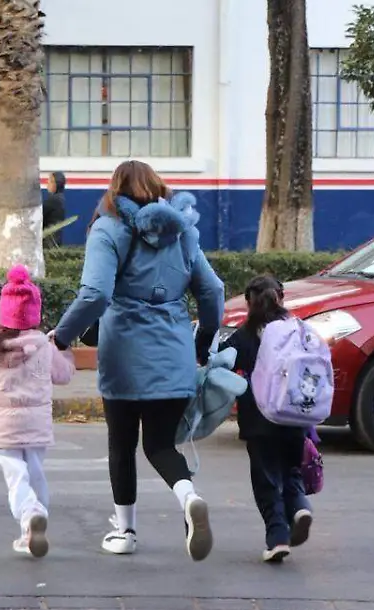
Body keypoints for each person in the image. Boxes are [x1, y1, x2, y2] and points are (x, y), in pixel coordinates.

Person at [50, 160, 225, 561]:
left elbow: (95, 294)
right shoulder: (184, 233)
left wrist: (60, 335)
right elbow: (213, 291)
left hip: (124, 355)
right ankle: (189, 497)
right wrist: (201, 343)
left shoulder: (108, 229)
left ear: (115, 190)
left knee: (122, 444)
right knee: (160, 445)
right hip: (175, 353)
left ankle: (125, 531)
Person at [0, 265, 76, 558]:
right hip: (36, 426)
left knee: (16, 476)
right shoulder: (44, 347)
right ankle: (32, 526)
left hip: (1, 427)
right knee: (35, 474)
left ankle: (30, 514)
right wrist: (65, 351)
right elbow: (63, 375)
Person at [219, 275, 314, 563]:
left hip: (259, 421)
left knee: (266, 481)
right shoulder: (296, 329)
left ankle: (277, 537)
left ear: (248, 303)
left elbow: (224, 361)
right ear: (281, 297)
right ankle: (300, 507)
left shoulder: (245, 336)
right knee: (291, 470)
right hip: (295, 417)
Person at [43, 172, 67, 244]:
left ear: (57, 184)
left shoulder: (53, 200)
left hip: (49, 242)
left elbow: (39, 216)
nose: (47, 184)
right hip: (55, 240)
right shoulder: (60, 198)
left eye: (50, 181)